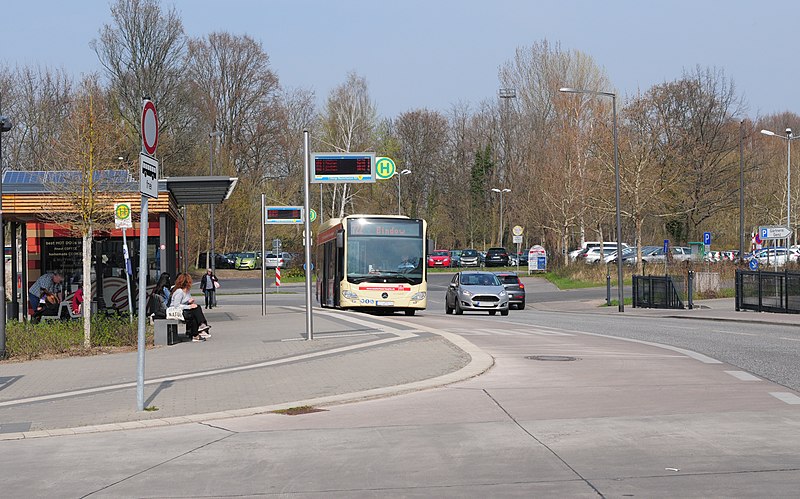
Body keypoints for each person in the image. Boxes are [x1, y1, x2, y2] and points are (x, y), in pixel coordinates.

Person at [170, 273, 211, 342]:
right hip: (177, 312)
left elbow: (185, 302)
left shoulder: (187, 291)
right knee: (196, 309)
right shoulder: (179, 292)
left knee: (195, 311)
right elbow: (176, 305)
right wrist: (189, 306)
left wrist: (189, 301)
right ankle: (201, 327)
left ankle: (197, 333)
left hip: (184, 310)